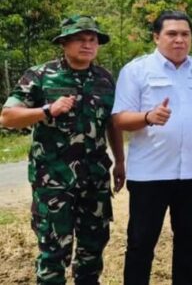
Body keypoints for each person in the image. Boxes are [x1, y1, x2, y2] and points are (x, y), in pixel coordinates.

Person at [1, 15, 124, 285]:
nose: (88, 45)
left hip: (95, 179)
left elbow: (113, 124)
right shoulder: (40, 75)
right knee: (53, 252)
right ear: (64, 43)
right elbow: (7, 117)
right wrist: (47, 110)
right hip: (53, 182)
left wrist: (120, 163)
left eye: (93, 40)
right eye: (80, 39)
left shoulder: (105, 79)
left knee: (93, 251)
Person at [112, 10, 192, 285]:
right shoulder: (136, 70)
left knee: (188, 241)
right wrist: (148, 117)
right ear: (156, 37)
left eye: (185, 34)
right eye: (171, 34)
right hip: (150, 175)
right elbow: (119, 118)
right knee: (141, 243)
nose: (179, 40)